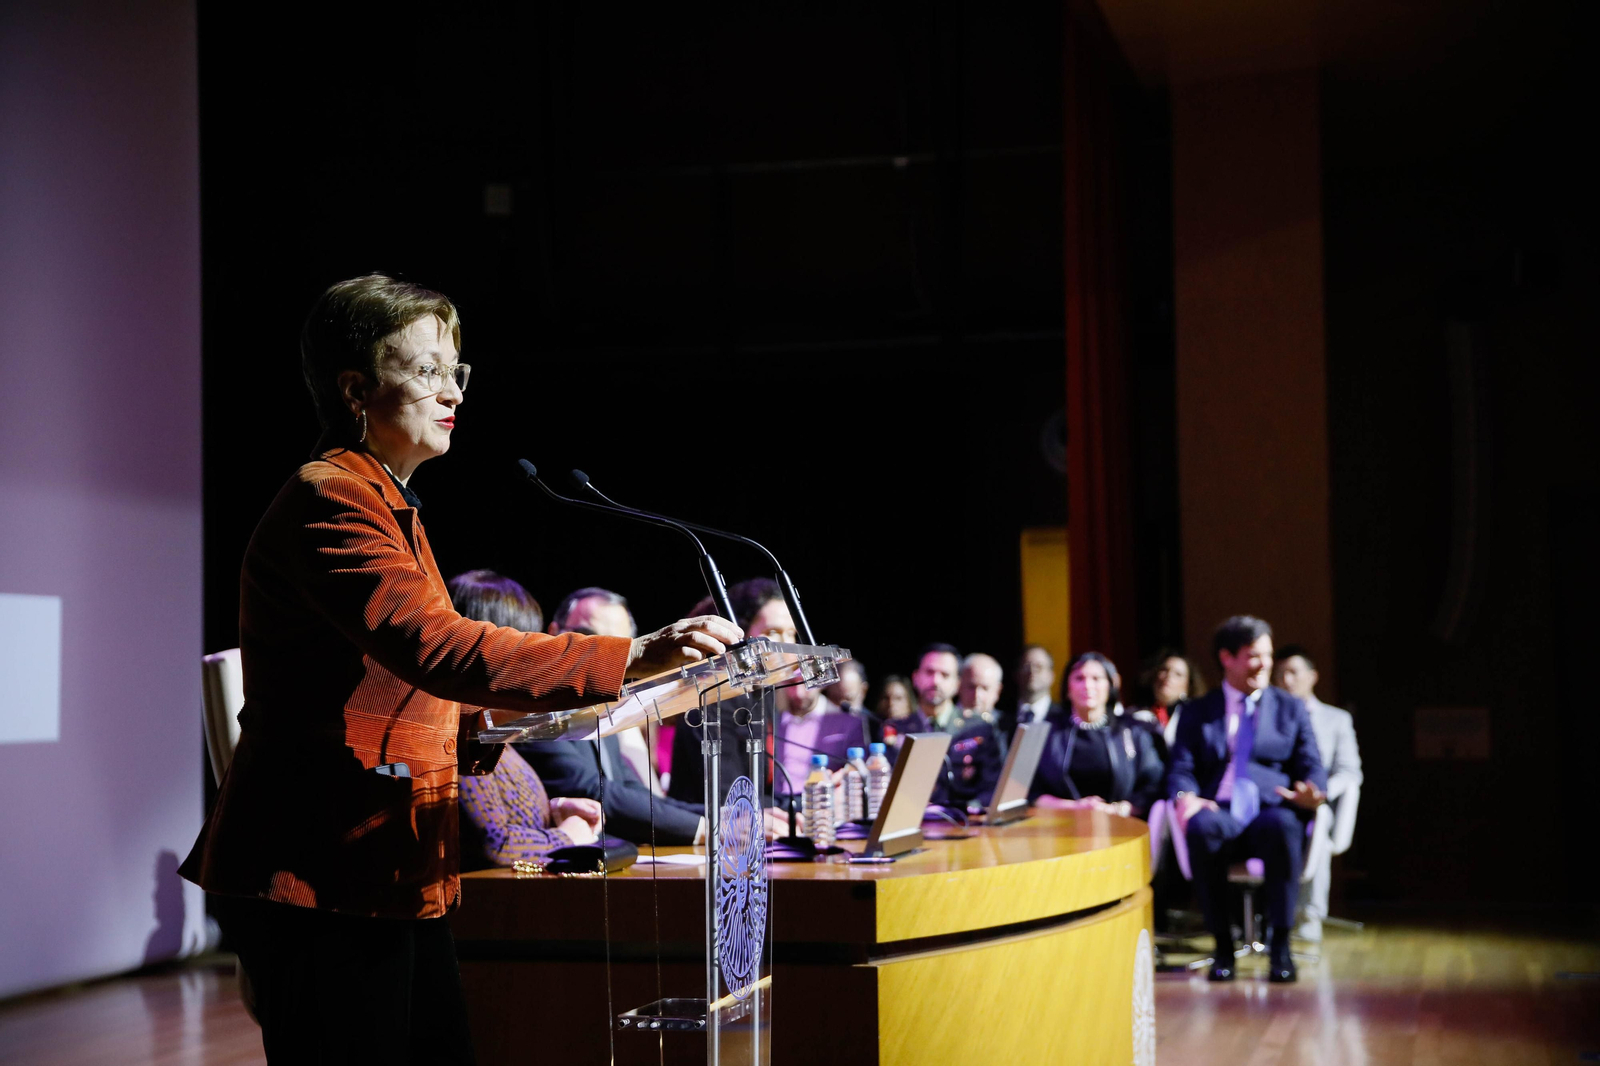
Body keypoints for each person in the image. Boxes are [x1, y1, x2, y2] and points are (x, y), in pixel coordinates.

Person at [179, 275, 741, 1063]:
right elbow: (440, 650)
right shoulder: (332, 498)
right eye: (428, 370)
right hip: (325, 868)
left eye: (457, 372)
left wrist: (612, 693)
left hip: (388, 869)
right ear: (355, 387)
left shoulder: (388, 500)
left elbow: (409, 689)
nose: (453, 392)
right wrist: (633, 653)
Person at [442, 575, 704, 848]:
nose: (606, 657)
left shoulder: (500, 736)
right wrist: (564, 835)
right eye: (592, 639)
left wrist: (713, 820)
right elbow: (497, 842)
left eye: (620, 645)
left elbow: (624, 787)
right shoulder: (501, 725)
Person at [1168, 616, 1327, 984]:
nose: (1264, 665)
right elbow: (1179, 770)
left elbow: (1312, 764)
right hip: (1219, 809)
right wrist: (1185, 797)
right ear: (1227, 658)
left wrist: (1312, 791)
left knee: (1284, 826)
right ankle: (1223, 947)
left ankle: (1281, 947)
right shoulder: (1197, 711)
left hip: (1269, 808)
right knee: (1202, 828)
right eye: (1254, 656)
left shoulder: (1290, 708)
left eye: (1268, 656)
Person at [1273, 644, 1363, 941]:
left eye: (1293, 673)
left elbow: (1350, 771)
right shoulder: (1267, 718)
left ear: (1312, 676)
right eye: (1280, 674)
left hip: (1315, 804)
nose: (1286, 680)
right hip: (1277, 798)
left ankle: (1309, 915)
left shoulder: (1335, 720)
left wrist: (1319, 792)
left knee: (1318, 827)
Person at [1030, 652, 1164, 819]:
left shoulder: (1132, 730)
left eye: (1096, 678)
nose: (1087, 685)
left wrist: (1117, 810)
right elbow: (1030, 790)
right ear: (1067, 689)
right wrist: (1074, 807)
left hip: (1122, 824)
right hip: (1061, 826)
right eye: (1079, 678)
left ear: (1110, 686)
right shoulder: (1046, 732)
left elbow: (1153, 784)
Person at [938, 654, 1011, 810]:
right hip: (954, 811)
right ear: (959, 685)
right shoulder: (942, 724)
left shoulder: (1008, 726)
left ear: (998, 690)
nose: (977, 696)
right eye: (971, 686)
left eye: (984, 688)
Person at [1129, 649, 1208, 751]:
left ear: (1188, 686)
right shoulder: (1134, 716)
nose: (1169, 676)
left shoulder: (1195, 717)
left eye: (1178, 674)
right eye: (1164, 670)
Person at [1005, 644, 1061, 737]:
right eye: (1026, 666)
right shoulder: (1002, 719)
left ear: (1051, 675)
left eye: (1039, 667)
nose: (1032, 671)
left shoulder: (1063, 719)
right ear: (1016, 674)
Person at [912, 643, 966, 733]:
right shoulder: (895, 729)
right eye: (929, 672)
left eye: (945, 675)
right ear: (915, 677)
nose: (935, 681)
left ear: (957, 684)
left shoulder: (976, 728)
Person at [876, 673, 932, 745]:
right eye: (886, 698)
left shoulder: (920, 728)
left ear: (909, 701)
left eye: (898, 698)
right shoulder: (871, 727)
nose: (891, 703)